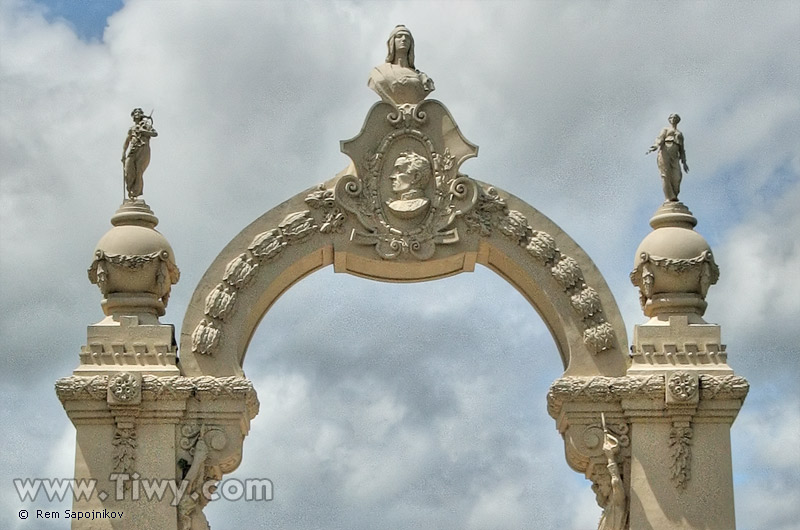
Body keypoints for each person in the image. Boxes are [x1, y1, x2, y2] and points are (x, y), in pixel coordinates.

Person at [368, 25, 435, 106]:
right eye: (399, 36)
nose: (403, 39)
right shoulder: (379, 72)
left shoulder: (422, 78)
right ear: (392, 42)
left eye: (407, 37)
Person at [647, 114, 688, 202]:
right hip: (665, 151)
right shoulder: (665, 129)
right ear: (669, 120)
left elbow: (682, 149)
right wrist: (655, 146)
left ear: (678, 120)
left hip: (675, 154)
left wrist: (684, 162)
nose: (673, 119)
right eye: (671, 117)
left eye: (675, 118)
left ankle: (674, 194)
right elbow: (660, 138)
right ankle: (669, 197)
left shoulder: (680, 133)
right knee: (665, 174)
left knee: (677, 176)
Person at [122, 108, 158, 199]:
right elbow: (126, 142)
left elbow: (155, 134)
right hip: (132, 150)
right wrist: (123, 153)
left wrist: (144, 132)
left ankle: (135, 193)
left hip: (143, 149)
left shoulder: (146, 125)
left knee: (139, 171)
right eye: (135, 113)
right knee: (128, 172)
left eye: (139, 113)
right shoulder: (132, 129)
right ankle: (130, 189)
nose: (137, 115)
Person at [385, 150, 431, 219]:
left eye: (399, 171)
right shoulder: (393, 205)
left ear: (416, 177)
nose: (392, 176)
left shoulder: (422, 203)